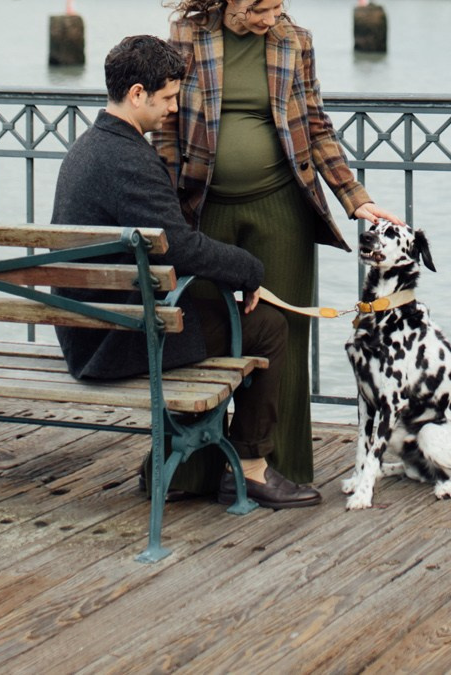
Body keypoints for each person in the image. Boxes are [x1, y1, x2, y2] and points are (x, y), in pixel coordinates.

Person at [162, 0, 400, 491]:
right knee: (202, 336)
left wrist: (356, 199)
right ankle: (192, 468)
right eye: (260, 8)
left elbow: (315, 127)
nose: (272, 17)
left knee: (286, 338)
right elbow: (169, 131)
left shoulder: (295, 41)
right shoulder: (188, 37)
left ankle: (278, 466)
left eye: (278, 5)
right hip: (203, 211)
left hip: (282, 207)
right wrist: (169, 205)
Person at [50, 33, 319, 509]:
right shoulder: (128, 160)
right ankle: (251, 470)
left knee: (212, 314)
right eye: (169, 98)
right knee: (268, 327)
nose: (175, 109)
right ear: (137, 94)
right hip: (113, 342)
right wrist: (250, 271)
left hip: (89, 325)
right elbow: (181, 248)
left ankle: (185, 458)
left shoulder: (89, 148)